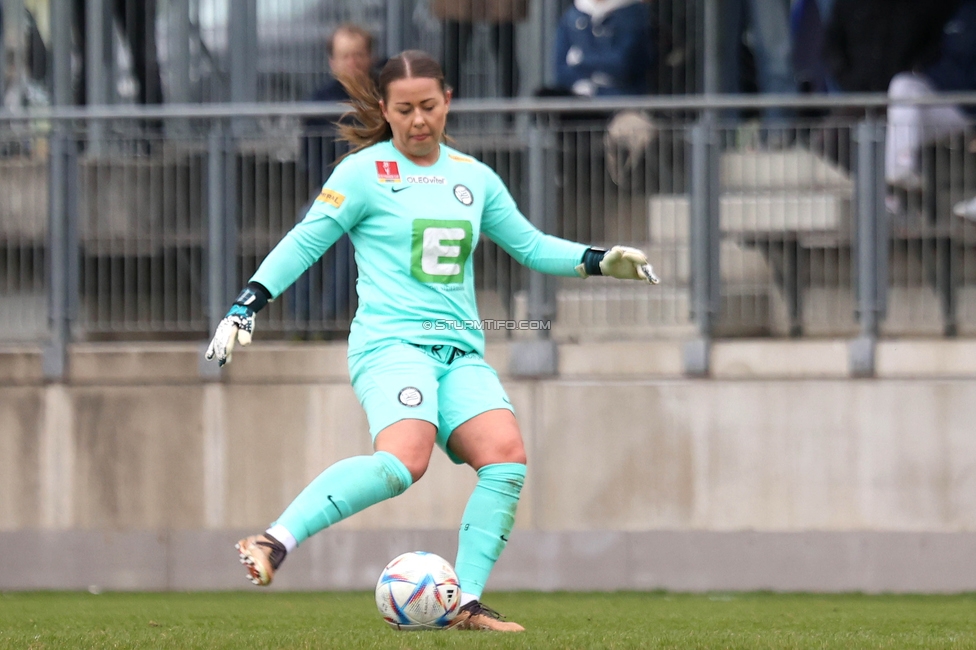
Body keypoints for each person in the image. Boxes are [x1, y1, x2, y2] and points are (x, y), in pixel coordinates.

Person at [204, 49, 659, 632]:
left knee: (505, 460)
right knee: (403, 463)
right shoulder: (362, 173)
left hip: (461, 352)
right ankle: (272, 540)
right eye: (404, 109)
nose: (418, 120)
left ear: (447, 102)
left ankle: (462, 605)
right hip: (392, 346)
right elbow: (305, 241)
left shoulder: (473, 176)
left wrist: (599, 261)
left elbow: (530, 244)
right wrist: (248, 303)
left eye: (428, 106)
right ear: (386, 111)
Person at [292, 24, 375, 337]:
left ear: (369, 58)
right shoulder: (319, 101)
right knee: (305, 231)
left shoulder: (385, 97)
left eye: (358, 55)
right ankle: (299, 322)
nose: (352, 63)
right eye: (345, 57)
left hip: (378, 195)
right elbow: (311, 156)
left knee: (351, 235)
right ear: (333, 62)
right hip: (332, 190)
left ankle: (328, 319)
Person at [885, 0, 976, 194]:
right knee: (902, 86)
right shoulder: (952, 8)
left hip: (967, 109)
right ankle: (901, 172)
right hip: (941, 96)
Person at [552, 0, 655, 98]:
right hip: (579, 103)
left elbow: (623, 64)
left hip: (623, 101)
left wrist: (581, 61)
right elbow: (561, 71)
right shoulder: (572, 16)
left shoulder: (633, 13)